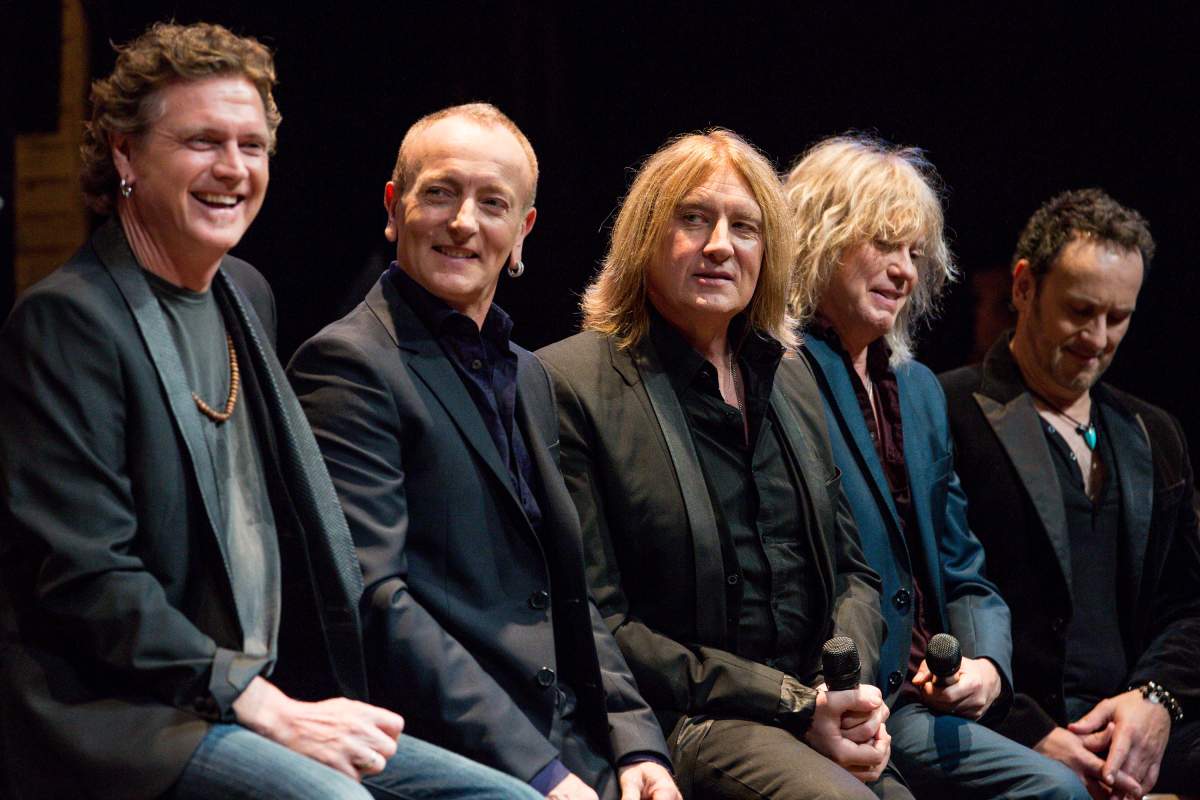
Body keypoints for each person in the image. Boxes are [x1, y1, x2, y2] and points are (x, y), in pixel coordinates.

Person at [0, 23, 538, 800]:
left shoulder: (243, 293)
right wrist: (259, 703)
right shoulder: (69, 323)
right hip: (123, 720)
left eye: (252, 146)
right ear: (124, 153)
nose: (232, 169)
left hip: (244, 694)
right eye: (202, 142)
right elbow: (88, 579)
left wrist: (288, 700)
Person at [287, 103, 678, 800]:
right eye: (439, 192)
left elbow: (568, 589)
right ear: (393, 206)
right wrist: (542, 772)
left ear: (522, 231)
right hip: (440, 742)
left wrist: (636, 741)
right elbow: (378, 601)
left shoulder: (528, 375)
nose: (464, 222)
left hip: (555, 735)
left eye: (492, 202)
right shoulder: (347, 363)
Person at [537, 130, 909, 800]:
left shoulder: (791, 377)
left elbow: (854, 572)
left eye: (745, 227)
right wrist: (792, 702)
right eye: (693, 219)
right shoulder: (570, 382)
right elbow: (602, 621)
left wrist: (840, 690)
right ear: (645, 236)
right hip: (688, 719)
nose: (720, 245)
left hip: (809, 709)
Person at [785, 135, 1089, 798]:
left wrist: (984, 664)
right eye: (884, 244)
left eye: (914, 253)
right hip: (843, 695)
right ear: (820, 237)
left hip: (923, 701)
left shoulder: (918, 388)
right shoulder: (778, 371)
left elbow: (962, 565)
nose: (905, 272)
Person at [940, 188, 1200, 798]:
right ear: (1024, 287)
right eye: (1080, 311)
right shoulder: (946, 408)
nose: (1098, 337)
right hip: (1009, 730)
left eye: (1119, 317)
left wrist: (1154, 702)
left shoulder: (1152, 431)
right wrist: (1028, 728)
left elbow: (1188, 605)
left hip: (1137, 729)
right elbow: (933, 599)